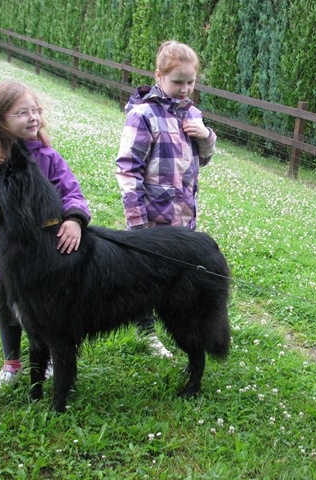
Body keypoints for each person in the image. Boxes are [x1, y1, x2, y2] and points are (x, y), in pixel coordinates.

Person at [0, 80, 91, 391]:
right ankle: (12, 361)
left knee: (42, 307)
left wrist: (74, 219)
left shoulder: (47, 156)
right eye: (22, 112)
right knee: (6, 308)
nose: (33, 118)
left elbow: (71, 191)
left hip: (41, 256)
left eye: (36, 111)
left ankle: (48, 355)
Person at [115, 40, 217, 358]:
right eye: (177, 82)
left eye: (190, 82)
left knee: (177, 277)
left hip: (184, 216)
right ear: (159, 76)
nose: (185, 89)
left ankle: (180, 325)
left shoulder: (193, 114)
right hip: (151, 220)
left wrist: (206, 137)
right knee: (146, 278)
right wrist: (137, 221)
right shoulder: (143, 115)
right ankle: (146, 331)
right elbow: (127, 169)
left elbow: (204, 159)